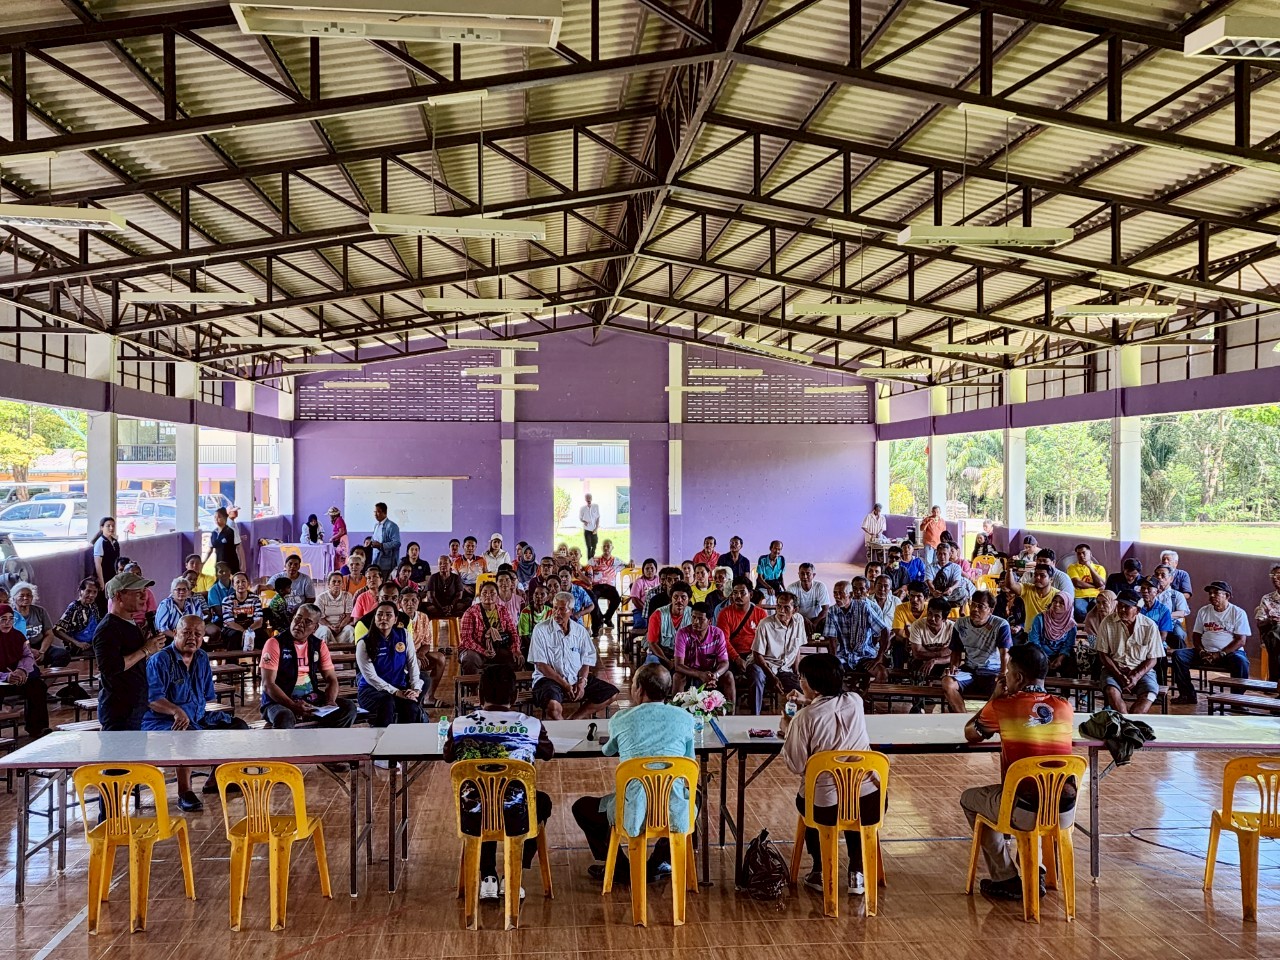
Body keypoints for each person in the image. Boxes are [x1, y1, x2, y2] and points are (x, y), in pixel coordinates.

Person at [962, 644, 1075, 901]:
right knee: (1040, 788)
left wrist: (994, 698)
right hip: (1062, 811)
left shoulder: (1003, 707)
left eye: (1008, 673)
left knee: (970, 799)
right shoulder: (1064, 707)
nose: (1006, 677)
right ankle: (1036, 869)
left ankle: (1006, 878)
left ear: (1019, 677)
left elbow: (971, 733)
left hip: (1023, 810)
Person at [571, 663, 694, 885]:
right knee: (696, 798)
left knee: (582, 807)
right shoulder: (685, 718)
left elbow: (608, 750)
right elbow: (689, 762)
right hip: (672, 809)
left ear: (639, 690)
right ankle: (660, 861)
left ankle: (620, 867)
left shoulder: (621, 719)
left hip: (632, 810)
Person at [446, 664, 555, 903]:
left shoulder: (460, 725)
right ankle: (513, 871)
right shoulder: (531, 725)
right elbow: (548, 752)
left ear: (479, 695)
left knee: (485, 796)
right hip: (517, 816)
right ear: (515, 696)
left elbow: (448, 755)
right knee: (541, 802)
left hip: (473, 815)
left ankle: (487, 876)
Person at [780, 653, 882, 897]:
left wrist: (787, 726)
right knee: (854, 806)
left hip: (825, 809)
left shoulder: (803, 718)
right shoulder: (855, 701)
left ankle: (820, 870)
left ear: (813, 685)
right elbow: (830, 707)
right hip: (871, 802)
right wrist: (809, 700)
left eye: (802, 678)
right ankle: (857, 871)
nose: (800, 682)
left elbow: (796, 764)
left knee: (809, 799)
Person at [144, 615, 251, 810]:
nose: (192, 637)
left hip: (196, 717)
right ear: (175, 633)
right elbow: (152, 699)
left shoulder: (201, 657)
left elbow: (207, 696)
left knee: (237, 726)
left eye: (197, 634)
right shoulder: (160, 660)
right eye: (186, 632)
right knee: (187, 733)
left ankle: (214, 779)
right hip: (161, 720)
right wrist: (176, 710)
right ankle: (185, 792)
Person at [259, 604, 358, 730]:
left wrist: (330, 702)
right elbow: (268, 684)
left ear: (315, 628)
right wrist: (293, 705)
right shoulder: (275, 643)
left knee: (348, 707)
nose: (300, 624)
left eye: (307, 622)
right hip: (278, 702)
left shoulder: (318, 645)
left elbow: (331, 678)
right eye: (298, 618)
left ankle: (328, 739)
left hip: (311, 699)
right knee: (285, 716)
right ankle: (286, 744)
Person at [528, 592, 618, 720]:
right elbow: (541, 665)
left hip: (574, 677)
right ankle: (566, 728)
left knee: (611, 693)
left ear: (571, 611)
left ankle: (573, 720)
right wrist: (565, 685)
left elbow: (586, 660)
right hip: (549, 680)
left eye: (562, 609)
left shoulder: (580, 631)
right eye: (555, 608)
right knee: (553, 707)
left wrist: (582, 682)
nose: (557, 613)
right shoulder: (541, 629)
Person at [94, 572, 164, 731]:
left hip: (136, 704)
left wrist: (150, 648)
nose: (144, 596)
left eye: (144, 591)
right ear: (119, 596)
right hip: (119, 709)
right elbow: (110, 668)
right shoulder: (108, 629)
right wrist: (146, 649)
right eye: (138, 593)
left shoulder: (130, 623)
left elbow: (134, 660)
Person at [1171, 580, 1251, 706]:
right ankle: (1187, 695)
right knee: (1179, 656)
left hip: (1229, 654)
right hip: (1205, 653)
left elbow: (1241, 640)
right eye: (1210, 593)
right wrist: (1201, 651)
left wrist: (1220, 654)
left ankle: (1237, 700)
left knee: (1241, 662)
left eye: (1216, 593)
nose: (1212, 595)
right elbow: (1196, 635)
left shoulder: (1238, 612)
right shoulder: (1204, 611)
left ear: (1227, 596)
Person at [1095, 589, 1164, 715]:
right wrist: (1119, 675)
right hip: (1114, 668)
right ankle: (1126, 721)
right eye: (1119, 605)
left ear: (1138, 610)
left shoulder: (1150, 626)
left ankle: (1131, 721)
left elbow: (1153, 658)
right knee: (1111, 691)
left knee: (1149, 694)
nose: (1121, 610)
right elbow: (1103, 654)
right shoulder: (1107, 623)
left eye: (1126, 607)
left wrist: (1136, 675)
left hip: (1142, 670)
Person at [942, 591, 1013, 712]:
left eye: (981, 606)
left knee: (1004, 689)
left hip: (992, 672)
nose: (975, 609)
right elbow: (956, 651)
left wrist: (1003, 673)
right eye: (973, 604)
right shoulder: (961, 624)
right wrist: (954, 666)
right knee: (947, 682)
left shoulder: (1000, 625)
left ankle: (985, 719)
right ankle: (963, 718)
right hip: (970, 670)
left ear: (990, 610)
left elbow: (1004, 653)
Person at [355, 601, 423, 726]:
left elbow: (412, 663)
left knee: (411, 706)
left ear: (395, 619)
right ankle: (383, 736)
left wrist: (415, 689)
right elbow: (371, 677)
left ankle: (405, 737)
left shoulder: (404, 635)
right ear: (375, 618)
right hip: (371, 690)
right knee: (387, 702)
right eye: (379, 614)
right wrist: (395, 692)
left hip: (399, 687)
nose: (383, 618)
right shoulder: (364, 643)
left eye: (388, 615)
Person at [748, 592, 805, 715]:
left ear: (795, 610)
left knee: (803, 689)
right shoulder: (765, 624)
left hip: (784, 668)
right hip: (763, 665)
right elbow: (757, 655)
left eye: (786, 607)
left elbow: (797, 649)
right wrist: (772, 677)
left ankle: (798, 720)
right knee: (757, 676)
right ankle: (755, 716)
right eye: (779, 606)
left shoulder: (799, 620)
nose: (781, 610)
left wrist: (797, 673)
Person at [0, 603, 50, 738]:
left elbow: (27, 656)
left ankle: (38, 728)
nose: (7, 623)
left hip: (17, 677)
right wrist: (5, 676)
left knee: (37, 686)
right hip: (2, 679)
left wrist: (22, 670)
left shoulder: (17, 636)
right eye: (3, 619)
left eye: (11, 619)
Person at [824, 578, 889, 682]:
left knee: (882, 673)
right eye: (835, 593)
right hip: (843, 656)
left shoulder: (864, 607)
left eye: (840, 593)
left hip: (865, 655)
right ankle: (847, 691)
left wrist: (879, 657)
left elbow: (884, 630)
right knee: (831, 673)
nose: (837, 596)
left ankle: (865, 692)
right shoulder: (832, 611)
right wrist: (834, 661)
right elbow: (832, 640)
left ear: (850, 594)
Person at [671, 601, 733, 701]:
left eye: (700, 619)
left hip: (710, 673)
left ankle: (731, 710)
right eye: (693, 617)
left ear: (710, 621)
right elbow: (678, 665)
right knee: (678, 676)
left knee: (728, 676)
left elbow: (724, 662)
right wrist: (700, 675)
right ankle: (675, 708)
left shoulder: (718, 634)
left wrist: (715, 675)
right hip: (690, 672)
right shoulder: (682, 633)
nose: (696, 622)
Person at [460, 580, 522, 674]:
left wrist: (516, 650)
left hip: (498, 647)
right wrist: (483, 651)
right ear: (480, 596)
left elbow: (513, 633)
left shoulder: (503, 611)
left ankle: (507, 683)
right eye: (484, 593)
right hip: (476, 648)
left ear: (497, 596)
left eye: (492, 593)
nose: (488, 595)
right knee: (470, 660)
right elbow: (466, 640)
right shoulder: (471, 613)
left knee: (516, 659)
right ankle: (475, 683)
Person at [400, 589, 445, 705]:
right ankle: (413, 698)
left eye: (413, 600)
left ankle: (429, 697)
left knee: (440, 658)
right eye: (406, 601)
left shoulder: (423, 617)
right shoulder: (397, 619)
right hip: (402, 657)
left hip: (419, 654)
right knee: (415, 663)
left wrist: (421, 653)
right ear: (400, 602)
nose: (410, 604)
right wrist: (413, 656)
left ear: (419, 601)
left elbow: (426, 643)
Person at [1026, 592, 1078, 678]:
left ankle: (1068, 686)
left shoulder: (1071, 624)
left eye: (1061, 603)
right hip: (1041, 652)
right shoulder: (1040, 618)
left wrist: (1060, 659)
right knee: (1034, 658)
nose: (1057, 604)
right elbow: (1034, 641)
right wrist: (1044, 658)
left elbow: (1068, 645)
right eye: (1055, 601)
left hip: (1060, 655)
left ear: (1068, 606)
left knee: (1070, 661)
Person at [644, 580, 692, 670]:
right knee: (653, 666)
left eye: (683, 597)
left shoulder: (692, 614)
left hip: (684, 655)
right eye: (676, 597)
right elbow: (652, 643)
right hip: (661, 654)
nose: (679, 600)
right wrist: (667, 661)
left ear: (689, 600)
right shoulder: (658, 614)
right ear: (671, 598)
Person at [907, 597, 955, 683]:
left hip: (942, 663)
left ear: (944, 619)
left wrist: (935, 660)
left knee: (951, 671)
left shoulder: (952, 628)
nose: (931, 618)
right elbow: (917, 654)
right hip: (921, 661)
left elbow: (953, 656)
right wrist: (940, 654)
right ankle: (918, 690)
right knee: (916, 666)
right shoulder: (917, 625)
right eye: (930, 614)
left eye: (937, 616)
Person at [10, 582, 56, 669]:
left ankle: (47, 677)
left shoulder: (40, 611)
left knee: (62, 654)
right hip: (20, 649)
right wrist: (29, 651)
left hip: (40, 646)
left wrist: (42, 651)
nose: (25, 598)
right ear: (14, 598)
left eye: (29, 595)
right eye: (21, 595)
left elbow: (49, 634)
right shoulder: (10, 615)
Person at [54, 578, 101, 661]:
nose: (92, 595)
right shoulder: (74, 607)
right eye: (88, 591)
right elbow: (57, 630)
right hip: (78, 648)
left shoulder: (94, 606)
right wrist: (77, 643)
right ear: (80, 591)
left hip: (93, 644)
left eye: (95, 592)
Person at [1004, 562, 1058, 629]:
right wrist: (1009, 570)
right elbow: (1010, 585)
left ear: (1051, 579)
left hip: (1049, 633)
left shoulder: (1057, 595)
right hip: (1029, 633)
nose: (1037, 577)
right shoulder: (1027, 589)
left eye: (1042, 576)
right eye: (1036, 575)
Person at [890, 582, 929, 671]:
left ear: (926, 598)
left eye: (919, 596)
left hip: (925, 642)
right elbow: (898, 632)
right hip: (906, 641)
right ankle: (897, 674)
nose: (914, 600)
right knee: (898, 647)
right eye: (912, 596)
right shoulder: (900, 608)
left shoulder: (930, 610)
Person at [154, 577, 207, 641]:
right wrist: (179, 638)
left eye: (184, 589)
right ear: (172, 592)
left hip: (190, 637)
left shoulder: (195, 603)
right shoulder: (166, 604)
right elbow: (162, 629)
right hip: (169, 638)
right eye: (178, 589)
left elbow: (199, 622)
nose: (181, 592)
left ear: (189, 591)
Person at [221, 572, 264, 649]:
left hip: (251, 628)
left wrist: (248, 631)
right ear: (233, 586)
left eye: (243, 581)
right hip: (233, 629)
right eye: (237, 582)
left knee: (262, 635)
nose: (240, 584)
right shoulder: (227, 600)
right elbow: (229, 623)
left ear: (248, 583)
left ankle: (261, 656)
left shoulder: (255, 599)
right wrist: (243, 631)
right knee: (235, 636)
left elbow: (259, 621)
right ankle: (233, 657)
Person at [589, 540, 622, 638]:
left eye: (608, 546)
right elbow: (586, 567)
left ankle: (607, 618)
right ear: (601, 548)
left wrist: (631, 562)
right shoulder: (594, 560)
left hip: (610, 587)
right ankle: (596, 625)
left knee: (617, 599)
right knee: (592, 599)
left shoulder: (616, 561)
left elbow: (628, 565)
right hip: (597, 586)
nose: (606, 548)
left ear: (612, 548)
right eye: (604, 546)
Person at [1153, 564, 1191, 647]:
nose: (1159, 577)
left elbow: (1182, 613)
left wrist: (1164, 616)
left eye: (1163, 575)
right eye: (1157, 575)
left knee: (1178, 635)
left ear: (1171, 579)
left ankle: (1180, 654)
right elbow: (1140, 607)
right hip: (1152, 623)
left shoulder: (1177, 595)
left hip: (1171, 624)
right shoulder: (1148, 594)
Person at [1066, 544, 1106, 622]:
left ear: (1090, 554)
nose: (1081, 555)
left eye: (1084, 553)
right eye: (1079, 554)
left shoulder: (1099, 568)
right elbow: (1077, 583)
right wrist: (1095, 586)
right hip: (1080, 596)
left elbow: (1100, 583)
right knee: (1079, 610)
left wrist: (1089, 566)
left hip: (1096, 596)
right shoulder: (1072, 567)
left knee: (1098, 610)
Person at [421, 553, 468, 620]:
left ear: (450, 564)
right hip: (437, 606)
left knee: (467, 602)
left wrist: (451, 606)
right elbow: (431, 596)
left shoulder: (456, 577)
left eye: (445, 563)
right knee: (424, 607)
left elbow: (459, 595)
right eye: (440, 563)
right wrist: (441, 608)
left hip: (452, 605)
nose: (443, 565)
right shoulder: (433, 577)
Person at [789, 563, 831, 636]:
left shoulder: (820, 587)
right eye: (802, 574)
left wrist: (815, 623)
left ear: (813, 575)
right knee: (789, 620)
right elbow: (790, 609)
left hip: (817, 619)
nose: (805, 577)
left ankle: (819, 639)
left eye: (808, 574)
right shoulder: (792, 588)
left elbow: (825, 609)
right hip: (799, 619)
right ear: (798, 575)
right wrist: (803, 619)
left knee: (827, 622)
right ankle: (797, 640)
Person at [1256, 563, 1280, 689]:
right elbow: (1259, 623)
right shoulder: (1267, 599)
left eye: (1279, 574)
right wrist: (1270, 621)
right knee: (1275, 632)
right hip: (1272, 635)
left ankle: (1275, 681)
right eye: (1273, 575)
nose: (1275, 577)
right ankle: (1276, 682)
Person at [90, 516, 120, 615]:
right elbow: (98, 563)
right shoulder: (100, 542)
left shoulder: (115, 542)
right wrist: (101, 581)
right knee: (103, 604)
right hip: (104, 576)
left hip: (113, 577)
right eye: (108, 526)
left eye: (113, 526)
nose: (111, 528)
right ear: (102, 527)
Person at [315, 570, 355, 645]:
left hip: (342, 627)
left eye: (339, 582)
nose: (336, 584)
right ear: (328, 584)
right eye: (334, 582)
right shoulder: (321, 597)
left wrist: (340, 626)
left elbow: (348, 615)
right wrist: (330, 626)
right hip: (325, 626)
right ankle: (325, 652)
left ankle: (348, 652)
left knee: (350, 630)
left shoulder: (347, 596)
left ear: (342, 584)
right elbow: (320, 618)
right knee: (325, 632)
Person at [205, 507, 245, 575]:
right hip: (219, 565)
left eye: (219, 517)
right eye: (215, 517)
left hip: (231, 565)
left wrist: (243, 565)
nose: (216, 519)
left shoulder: (231, 531)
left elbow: (239, 548)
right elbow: (210, 549)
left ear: (225, 518)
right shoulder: (214, 533)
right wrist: (203, 562)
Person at [366, 501, 401, 574]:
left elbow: (397, 543)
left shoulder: (392, 526)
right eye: (374, 512)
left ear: (385, 512)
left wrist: (381, 545)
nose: (375, 514)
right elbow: (374, 539)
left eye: (378, 512)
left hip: (387, 564)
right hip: (375, 562)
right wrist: (370, 543)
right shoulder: (376, 525)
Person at [579, 493, 601, 560]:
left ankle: (592, 558)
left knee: (594, 546)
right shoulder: (582, 508)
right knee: (589, 546)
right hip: (587, 530)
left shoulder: (596, 506)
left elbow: (597, 518)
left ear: (591, 498)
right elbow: (580, 518)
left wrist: (596, 528)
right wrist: (584, 521)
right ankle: (589, 561)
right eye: (587, 498)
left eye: (589, 498)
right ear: (585, 499)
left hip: (594, 530)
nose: (588, 499)